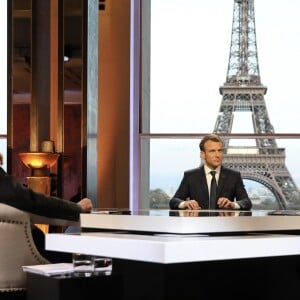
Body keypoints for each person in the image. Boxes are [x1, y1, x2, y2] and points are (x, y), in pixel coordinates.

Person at [0, 152, 93, 262]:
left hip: (13, 258)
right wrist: (77, 208)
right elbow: (30, 201)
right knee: (89, 257)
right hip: (29, 256)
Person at [169, 134, 252, 210]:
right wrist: (185, 203)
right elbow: (174, 201)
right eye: (212, 151)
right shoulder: (191, 176)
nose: (217, 155)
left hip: (224, 224)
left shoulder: (233, 176)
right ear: (202, 154)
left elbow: (247, 202)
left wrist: (232, 204)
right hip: (199, 224)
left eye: (220, 150)